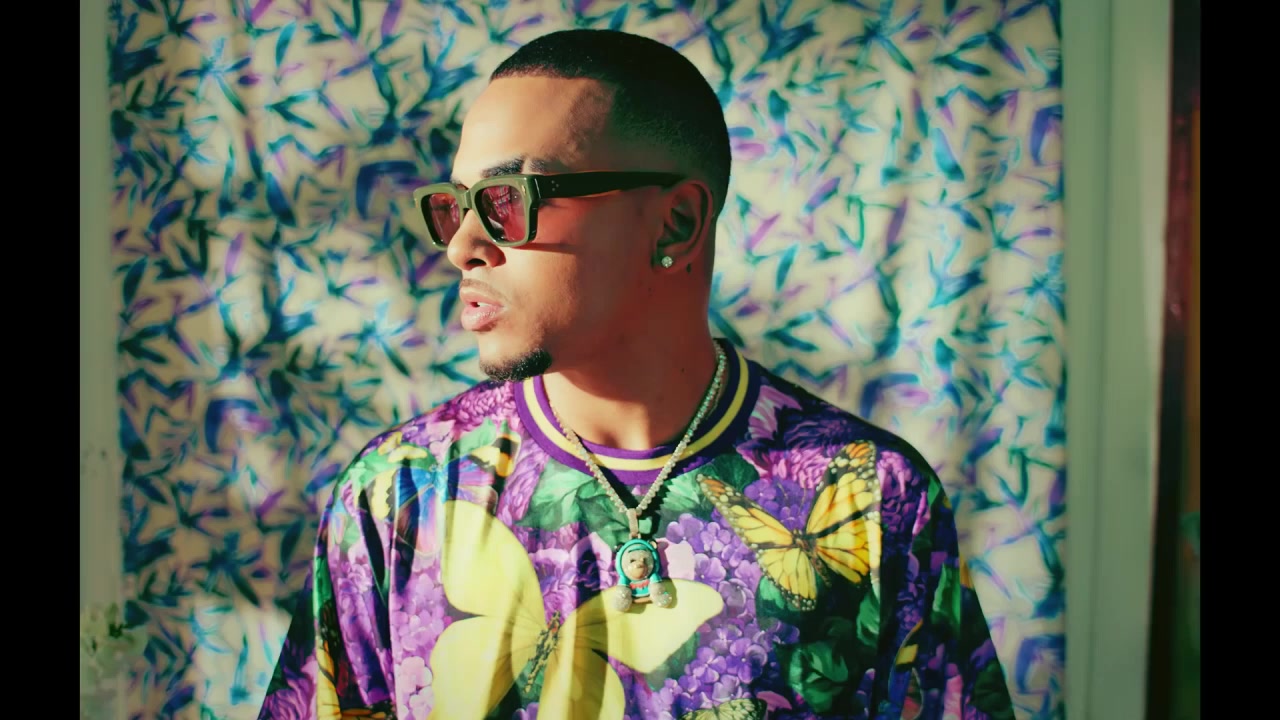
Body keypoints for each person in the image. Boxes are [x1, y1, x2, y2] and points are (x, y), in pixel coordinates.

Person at [258, 28, 1016, 720]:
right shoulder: (399, 496)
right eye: (456, 206)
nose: (462, 246)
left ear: (675, 223)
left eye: (507, 199)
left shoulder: (870, 499)